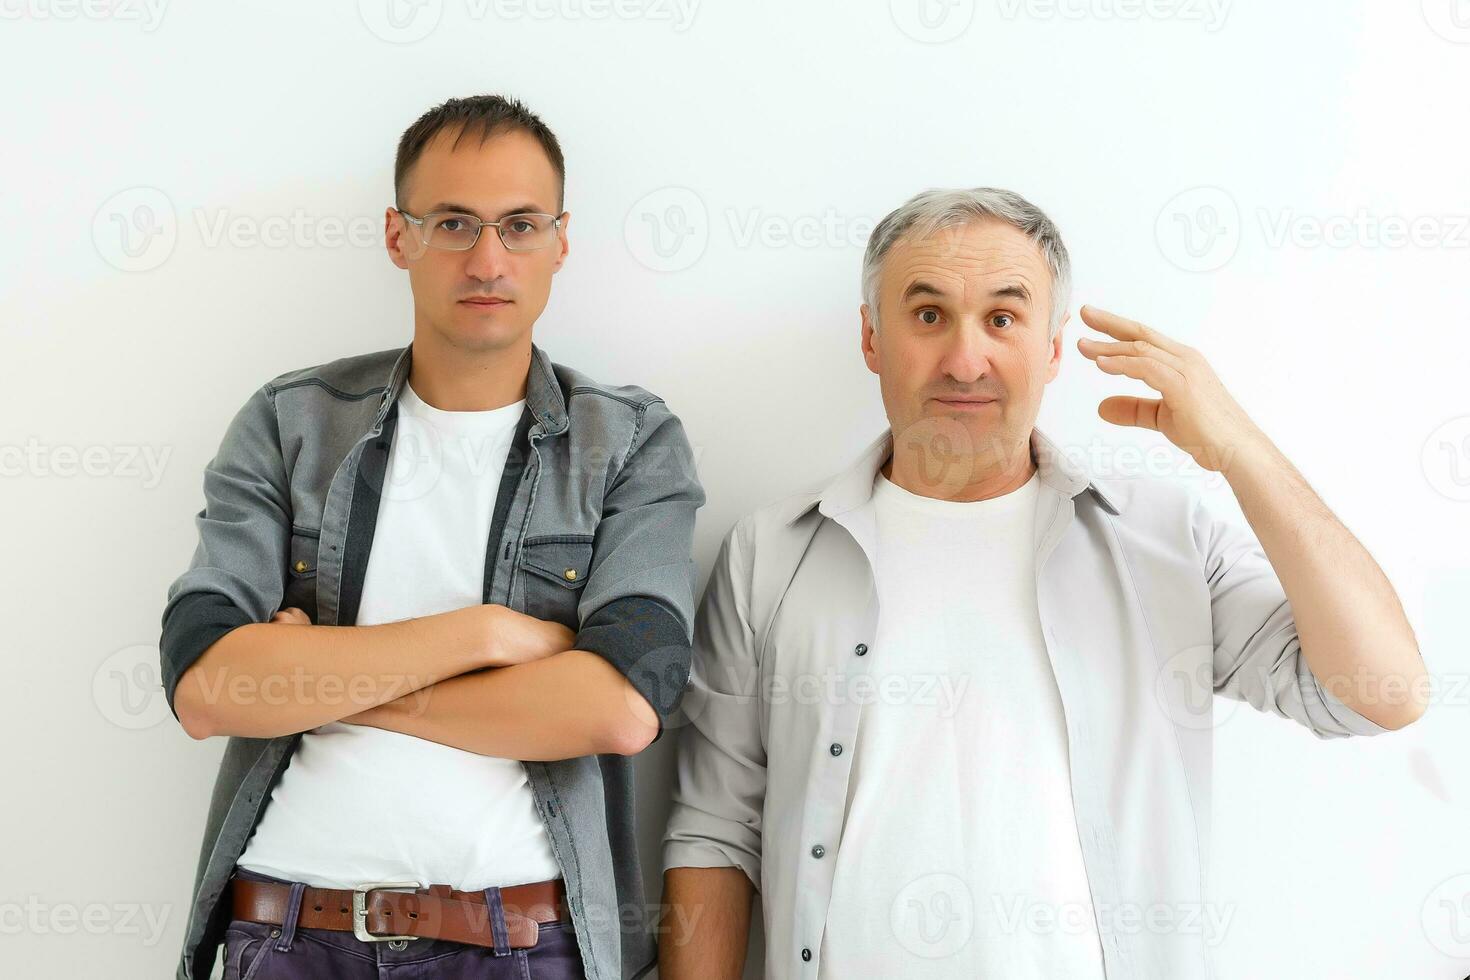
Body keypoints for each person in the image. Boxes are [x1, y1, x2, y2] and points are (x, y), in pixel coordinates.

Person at [658, 187, 1426, 980]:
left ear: (1053, 347)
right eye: (928, 316)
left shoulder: (1161, 541)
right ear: (871, 338)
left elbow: (1383, 693)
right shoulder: (773, 554)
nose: (965, 359)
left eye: (1002, 318)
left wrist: (1241, 450)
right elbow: (716, 831)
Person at [159, 94, 704, 980]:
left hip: (522, 945)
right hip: (287, 934)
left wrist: (326, 682)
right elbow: (206, 687)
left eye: (520, 225)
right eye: (453, 222)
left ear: (561, 241)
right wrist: (482, 636)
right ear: (397, 236)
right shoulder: (291, 423)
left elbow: (618, 706)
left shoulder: (628, 443)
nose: (488, 258)